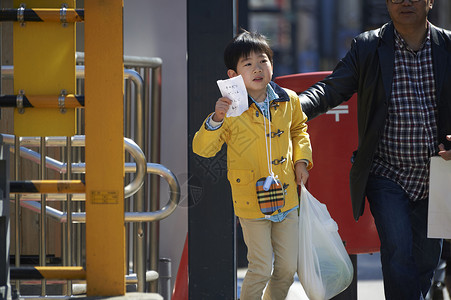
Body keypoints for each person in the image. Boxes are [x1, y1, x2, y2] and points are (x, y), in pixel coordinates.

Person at [298, 0, 451, 299]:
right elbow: (330, 89)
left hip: (437, 176)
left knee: (424, 264)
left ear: (430, 1)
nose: (405, 2)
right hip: (386, 173)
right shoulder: (368, 47)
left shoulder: (447, 45)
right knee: (397, 253)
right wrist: (290, 107)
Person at [192, 30, 313, 300]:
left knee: (286, 267)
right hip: (251, 197)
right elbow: (202, 148)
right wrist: (216, 119)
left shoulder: (289, 99)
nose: (257, 69)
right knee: (260, 267)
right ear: (233, 74)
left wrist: (301, 160)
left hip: (286, 195)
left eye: (263, 61)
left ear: (272, 65)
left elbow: (299, 130)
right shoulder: (230, 109)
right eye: (248, 64)